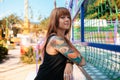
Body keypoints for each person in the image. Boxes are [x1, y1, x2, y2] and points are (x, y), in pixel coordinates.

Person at [34, 7, 86, 80]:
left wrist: (69, 63)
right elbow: (81, 61)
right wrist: (71, 61)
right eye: (62, 17)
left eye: (68, 17)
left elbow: (76, 57)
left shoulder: (63, 39)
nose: (67, 20)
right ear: (55, 21)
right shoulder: (56, 40)